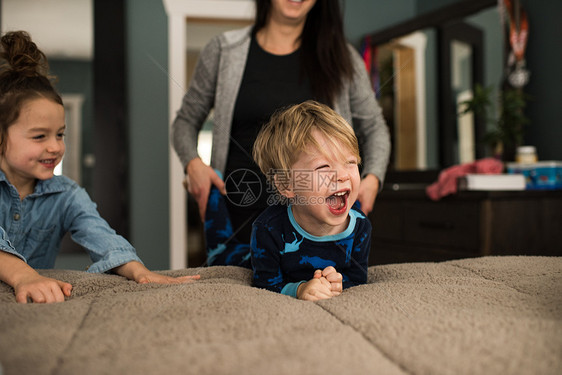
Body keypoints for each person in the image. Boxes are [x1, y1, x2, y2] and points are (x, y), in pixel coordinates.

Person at [172, 0, 389, 263]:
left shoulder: (342, 58)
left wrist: (372, 179)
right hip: (238, 216)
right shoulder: (223, 51)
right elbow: (184, 122)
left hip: (319, 227)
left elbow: (375, 127)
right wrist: (193, 166)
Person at [0, 31, 199, 304]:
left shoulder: (67, 195)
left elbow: (100, 235)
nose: (55, 147)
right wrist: (24, 276)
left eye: (60, 134)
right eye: (39, 136)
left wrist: (138, 271)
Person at [250, 100, 371, 301]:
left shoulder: (360, 227)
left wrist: (338, 283)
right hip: (248, 255)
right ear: (286, 185)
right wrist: (299, 289)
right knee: (225, 253)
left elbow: (357, 280)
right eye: (323, 167)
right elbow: (265, 285)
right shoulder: (267, 229)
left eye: (350, 162)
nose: (342, 175)